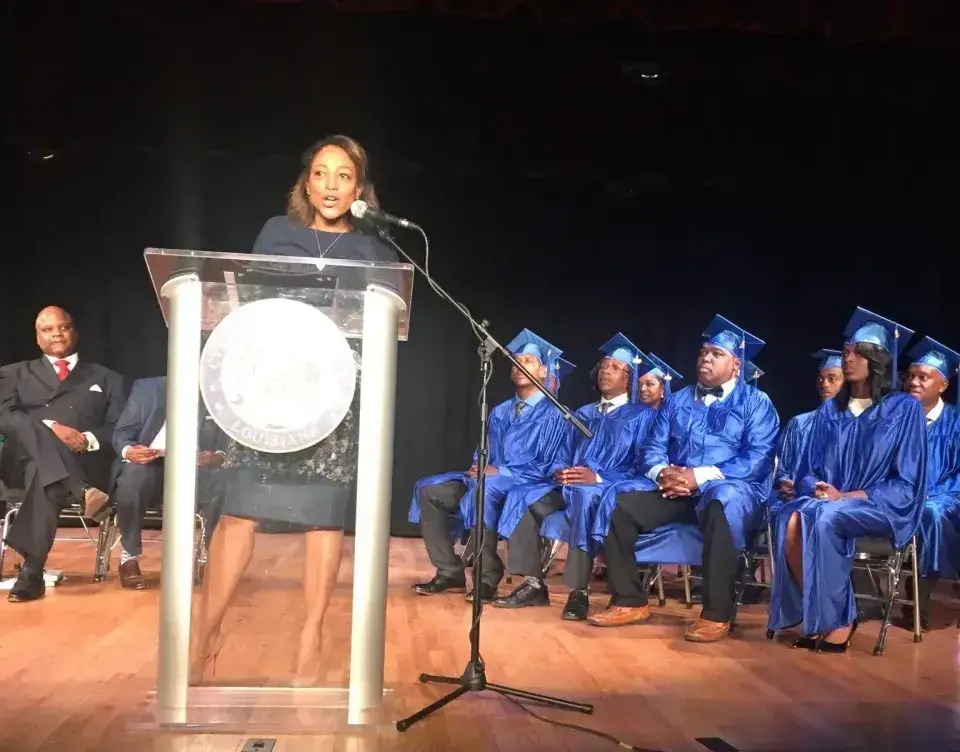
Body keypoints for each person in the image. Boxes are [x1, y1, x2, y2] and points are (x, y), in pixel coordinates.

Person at [190, 135, 397, 684]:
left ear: (360, 188)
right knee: (238, 512)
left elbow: (388, 324)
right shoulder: (276, 232)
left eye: (343, 176)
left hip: (332, 397)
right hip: (268, 392)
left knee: (323, 518)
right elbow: (244, 300)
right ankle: (206, 632)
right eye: (322, 174)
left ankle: (311, 638)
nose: (331, 186)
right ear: (306, 182)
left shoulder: (376, 250)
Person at [588, 314, 779, 643]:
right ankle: (630, 600)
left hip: (731, 487)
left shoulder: (756, 403)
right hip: (678, 489)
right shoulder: (677, 401)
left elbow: (758, 459)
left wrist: (698, 476)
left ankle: (716, 614)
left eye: (716, 354)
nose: (705, 357)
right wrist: (663, 473)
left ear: (736, 364)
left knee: (723, 501)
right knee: (619, 503)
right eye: (703, 352)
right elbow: (653, 449)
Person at [767, 307, 927, 653]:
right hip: (833, 501)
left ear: (878, 359)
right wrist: (819, 489)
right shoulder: (829, 412)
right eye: (846, 353)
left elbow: (908, 481)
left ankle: (839, 619)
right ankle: (822, 613)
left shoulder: (904, 409)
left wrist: (848, 496)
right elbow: (807, 471)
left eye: (857, 353)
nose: (848, 359)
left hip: (883, 506)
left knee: (826, 516)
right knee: (790, 516)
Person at [492, 336, 667, 620]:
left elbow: (643, 465)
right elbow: (562, 452)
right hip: (570, 486)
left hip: (608, 489)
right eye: (603, 367)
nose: (605, 371)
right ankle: (533, 583)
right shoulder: (583, 413)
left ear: (629, 378)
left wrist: (597, 477)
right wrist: (561, 470)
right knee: (522, 495)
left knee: (585, 498)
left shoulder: (643, 416)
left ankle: (579, 591)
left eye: (614, 367)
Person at [410, 329, 570, 603]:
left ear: (544, 372)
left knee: (485, 487)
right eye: (516, 361)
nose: (519, 365)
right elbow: (483, 453)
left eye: (529, 361)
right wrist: (478, 466)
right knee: (429, 490)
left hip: (529, 487)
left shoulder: (557, 415)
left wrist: (500, 472)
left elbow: (554, 467)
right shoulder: (499, 411)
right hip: (488, 481)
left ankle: (486, 578)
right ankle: (450, 571)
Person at [0, 306, 126, 602]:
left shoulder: (107, 378)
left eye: (64, 327)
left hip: (83, 462)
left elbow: (119, 427)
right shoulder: (13, 373)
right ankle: (82, 492)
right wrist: (52, 428)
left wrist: (88, 439)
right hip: (20, 458)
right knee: (22, 428)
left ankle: (31, 572)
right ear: (38, 338)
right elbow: (4, 418)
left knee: (43, 474)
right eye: (47, 329)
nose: (56, 333)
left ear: (75, 332)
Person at [111, 377, 228, 590]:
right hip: (151, 462)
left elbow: (229, 443)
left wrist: (218, 457)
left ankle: (206, 558)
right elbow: (122, 434)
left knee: (220, 482)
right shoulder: (147, 388)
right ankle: (129, 558)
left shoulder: (219, 392)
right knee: (133, 478)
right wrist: (130, 450)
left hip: (197, 468)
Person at [901, 337, 960, 629]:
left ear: (943, 385)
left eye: (923, 377)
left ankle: (918, 605)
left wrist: (933, 494)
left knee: (931, 513)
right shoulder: (896, 420)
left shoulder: (957, 423)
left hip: (947, 498)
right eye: (911, 376)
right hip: (902, 496)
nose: (914, 382)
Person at [773, 350, 845, 507]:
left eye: (832, 379)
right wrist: (785, 483)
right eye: (820, 378)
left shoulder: (855, 424)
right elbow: (783, 468)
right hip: (797, 501)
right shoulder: (799, 423)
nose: (824, 384)